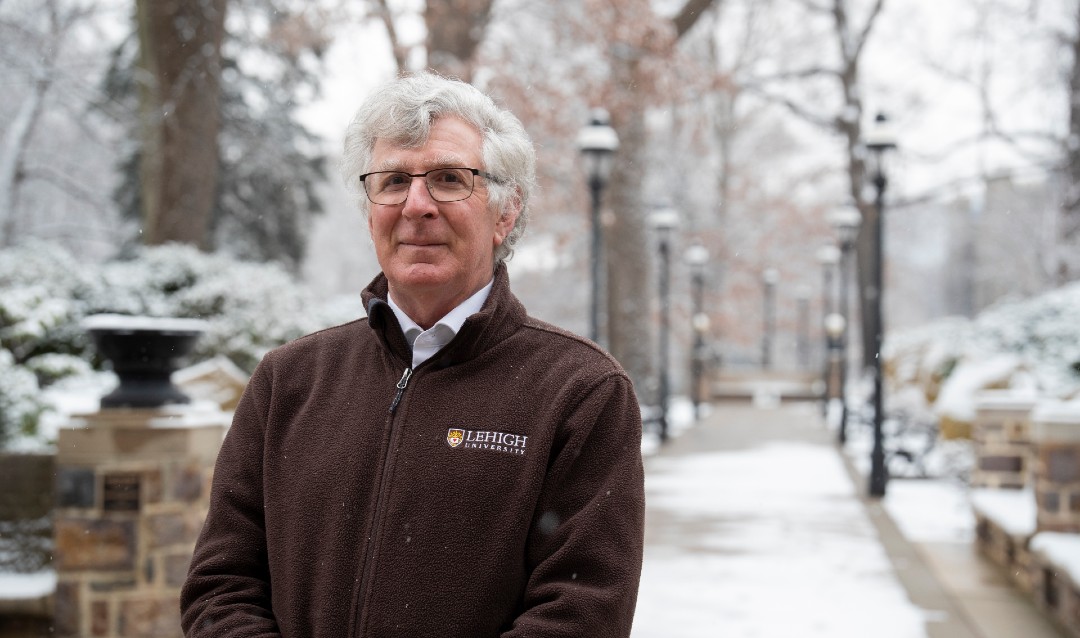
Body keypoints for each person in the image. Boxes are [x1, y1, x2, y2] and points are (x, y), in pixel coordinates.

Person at [180, 72, 645, 638]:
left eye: (450, 179)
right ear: (369, 208)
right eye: (394, 180)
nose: (416, 204)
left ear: (505, 213)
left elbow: (581, 611)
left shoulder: (579, 392)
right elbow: (220, 587)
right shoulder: (289, 381)